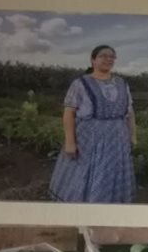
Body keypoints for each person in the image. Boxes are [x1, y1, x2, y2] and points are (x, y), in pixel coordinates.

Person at [49, 45, 137, 204]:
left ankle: (111, 204)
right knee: (87, 172)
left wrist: (133, 135)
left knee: (112, 170)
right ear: (93, 60)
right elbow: (69, 112)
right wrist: (70, 142)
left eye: (112, 57)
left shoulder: (122, 83)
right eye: (103, 56)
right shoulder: (80, 83)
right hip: (89, 138)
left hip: (118, 138)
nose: (108, 59)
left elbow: (129, 112)